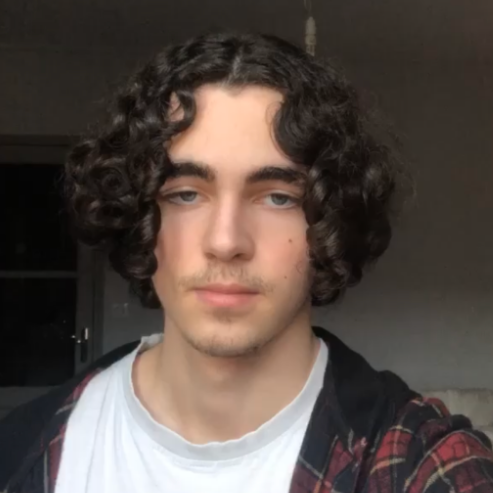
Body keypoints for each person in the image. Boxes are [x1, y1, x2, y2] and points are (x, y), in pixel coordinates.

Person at [1, 31, 492, 493]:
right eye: (186, 194)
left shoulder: (422, 465)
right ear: (136, 211)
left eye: (278, 197)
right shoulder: (22, 446)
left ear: (331, 220)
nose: (225, 241)